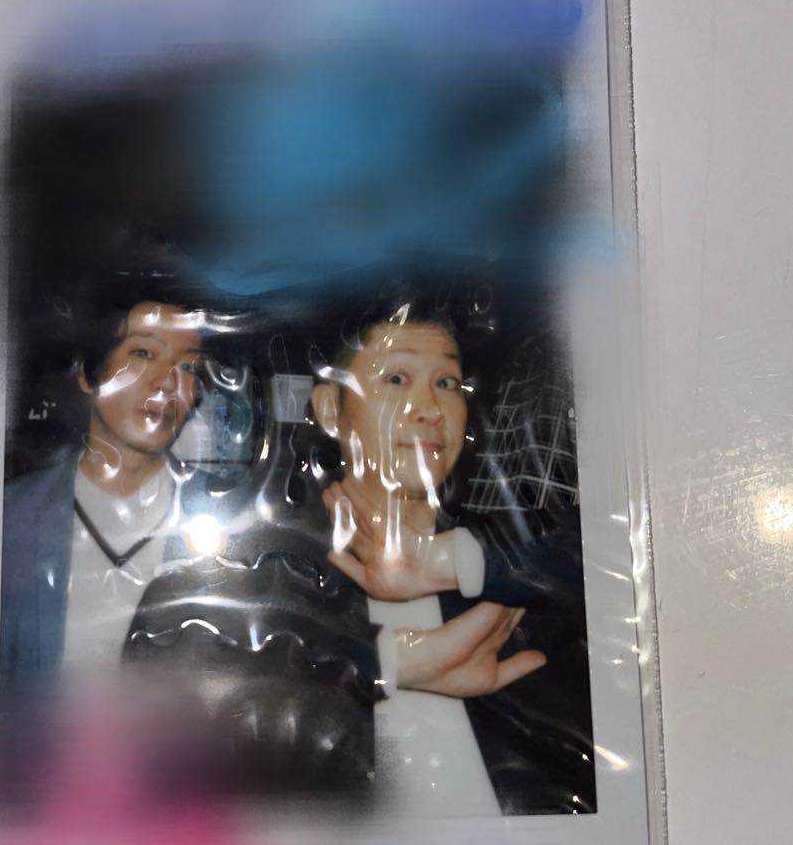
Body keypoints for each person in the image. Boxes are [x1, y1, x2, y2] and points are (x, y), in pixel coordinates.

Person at [122, 299, 585, 810]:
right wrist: (387, 663)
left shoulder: (502, 574)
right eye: (396, 379)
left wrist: (447, 562)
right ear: (329, 410)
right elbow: (165, 717)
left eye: (446, 383)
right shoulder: (245, 569)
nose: (430, 409)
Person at [0, 299, 210, 677]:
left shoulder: (216, 526)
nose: (168, 383)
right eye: (144, 353)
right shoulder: (10, 518)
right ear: (88, 375)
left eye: (188, 366)